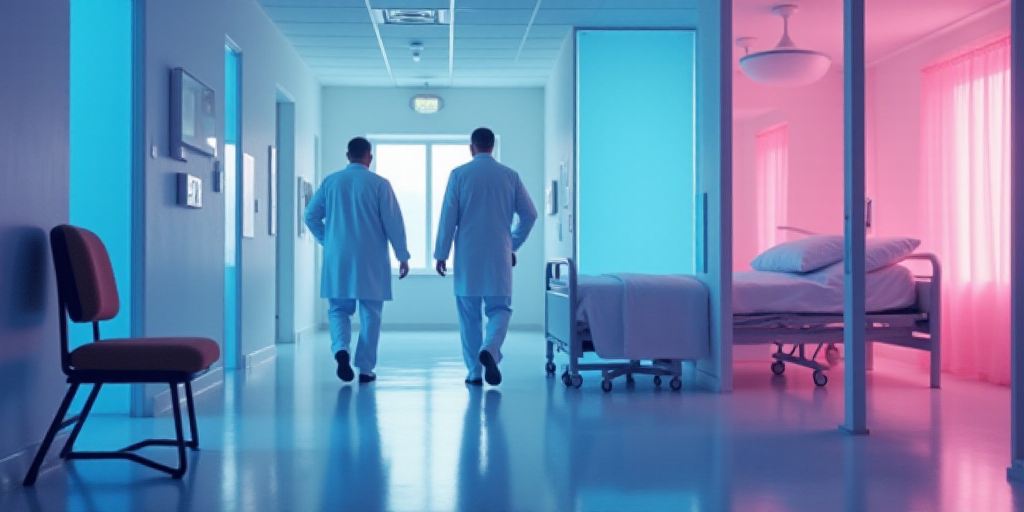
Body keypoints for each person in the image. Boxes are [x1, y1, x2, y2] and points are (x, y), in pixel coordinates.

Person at [434, 128, 538, 386]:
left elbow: (449, 217)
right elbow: (530, 215)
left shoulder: (459, 175)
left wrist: (441, 254)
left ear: (472, 147)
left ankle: (474, 373)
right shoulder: (510, 177)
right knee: (499, 309)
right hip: (498, 257)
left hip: (467, 258)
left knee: (469, 316)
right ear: (492, 147)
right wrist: (511, 244)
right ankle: (490, 349)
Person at [305, 137, 410, 384]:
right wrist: (402, 256)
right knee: (371, 314)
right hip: (371, 259)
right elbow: (393, 223)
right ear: (369, 157)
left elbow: (310, 216)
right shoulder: (379, 184)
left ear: (347, 155)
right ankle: (365, 369)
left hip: (338, 257)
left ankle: (341, 349)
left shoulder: (331, 182)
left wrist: (327, 241)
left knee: (339, 309)